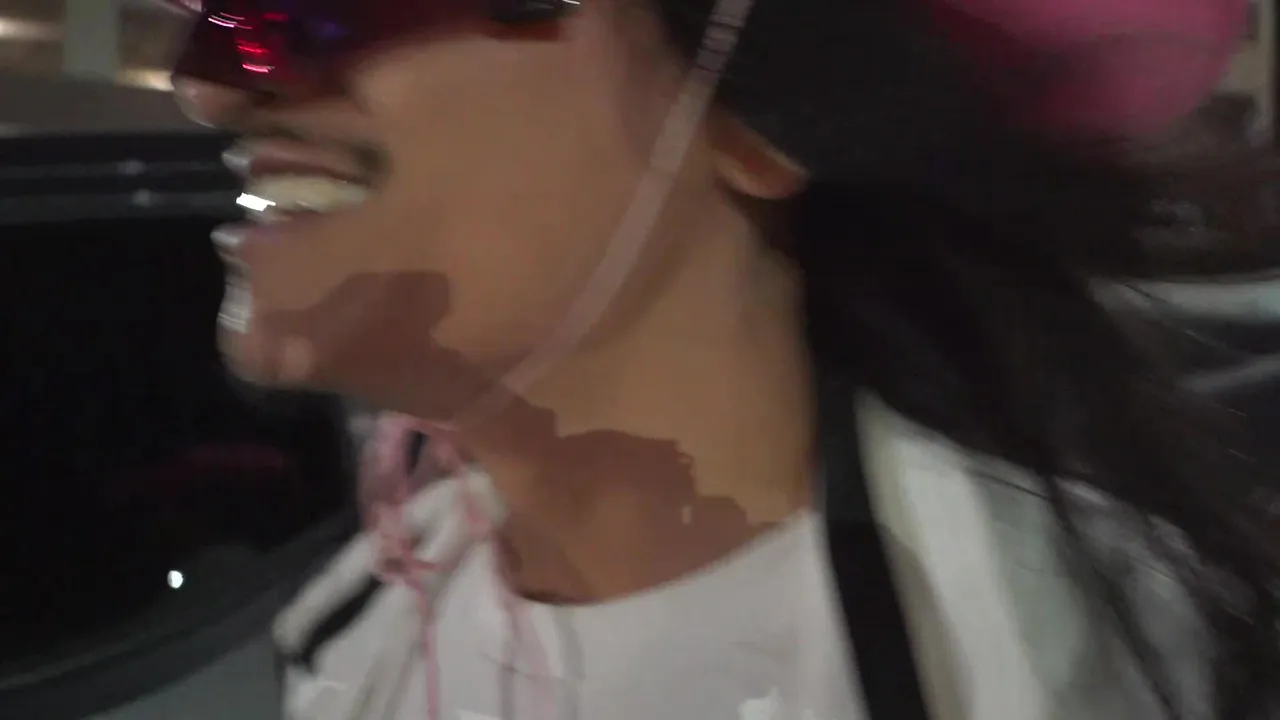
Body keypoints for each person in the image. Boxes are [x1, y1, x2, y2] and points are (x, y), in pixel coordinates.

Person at [163, 0, 1276, 718]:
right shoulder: (361, 619)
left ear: (759, 116)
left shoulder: (1060, 657)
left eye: (326, 4)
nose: (210, 81)